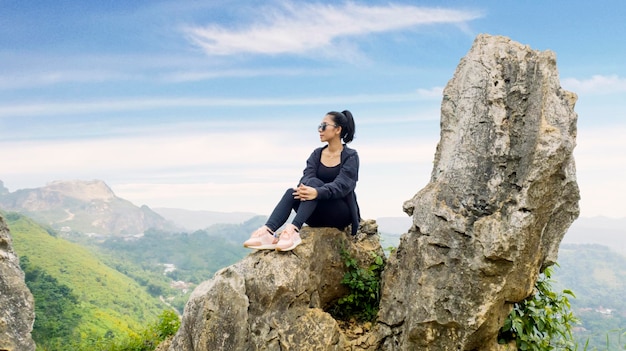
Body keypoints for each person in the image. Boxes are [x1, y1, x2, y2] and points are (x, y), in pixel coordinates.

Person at [243, 110, 361, 252]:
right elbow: (305, 178)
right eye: (319, 126)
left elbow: (343, 185)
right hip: (315, 214)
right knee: (291, 192)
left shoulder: (351, 156)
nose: (319, 130)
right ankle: (268, 232)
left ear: (337, 129)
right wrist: (311, 191)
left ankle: (293, 230)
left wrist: (317, 192)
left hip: (339, 214)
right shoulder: (317, 154)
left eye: (324, 126)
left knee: (314, 184)